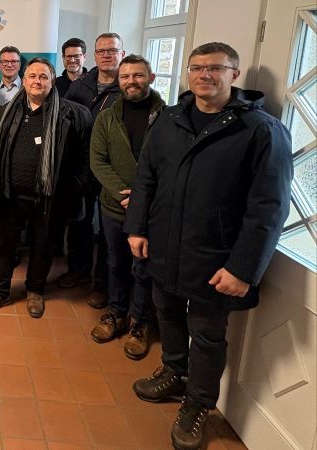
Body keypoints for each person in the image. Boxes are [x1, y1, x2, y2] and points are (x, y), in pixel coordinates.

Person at [125, 42, 292, 450]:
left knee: (208, 335)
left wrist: (243, 268)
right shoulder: (169, 120)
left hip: (216, 258)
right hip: (164, 246)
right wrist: (137, 228)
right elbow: (146, 178)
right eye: (197, 67)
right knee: (166, 314)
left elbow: (268, 208)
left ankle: (198, 405)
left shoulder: (260, 131)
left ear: (234, 74)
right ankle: (173, 373)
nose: (204, 75)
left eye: (216, 68)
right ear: (188, 73)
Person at [0, 57, 91, 319]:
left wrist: (75, 187)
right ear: (24, 81)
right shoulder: (6, 112)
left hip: (50, 198)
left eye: (43, 77)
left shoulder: (71, 114)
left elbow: (85, 158)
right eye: (32, 76)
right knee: (3, 245)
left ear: (52, 82)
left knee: (43, 245)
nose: (37, 81)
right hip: (9, 195)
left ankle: (35, 290)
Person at [88, 55, 165, 360]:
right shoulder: (106, 118)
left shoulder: (169, 118)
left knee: (143, 269)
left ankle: (140, 323)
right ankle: (117, 313)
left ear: (152, 77)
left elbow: (171, 167)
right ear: (118, 81)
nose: (131, 81)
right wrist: (123, 194)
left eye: (138, 75)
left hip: (151, 212)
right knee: (116, 263)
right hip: (114, 208)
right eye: (125, 77)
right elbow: (98, 161)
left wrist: (142, 198)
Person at [62, 32, 126, 306]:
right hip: (82, 168)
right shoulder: (82, 86)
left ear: (121, 54)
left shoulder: (127, 87)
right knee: (81, 223)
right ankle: (78, 271)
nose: (106, 55)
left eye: (112, 50)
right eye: (102, 51)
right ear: (95, 55)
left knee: (109, 231)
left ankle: (102, 286)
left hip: (113, 171)